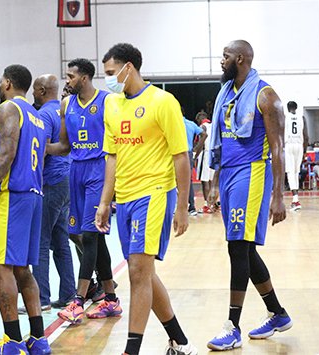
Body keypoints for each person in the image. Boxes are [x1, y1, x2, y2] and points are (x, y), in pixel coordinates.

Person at [96, 42, 197, 355]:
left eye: (112, 72)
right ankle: (180, 341)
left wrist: (182, 206)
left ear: (130, 67)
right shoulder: (111, 105)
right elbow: (111, 156)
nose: (108, 79)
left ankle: (132, 349)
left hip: (153, 194)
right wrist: (104, 201)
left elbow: (181, 156)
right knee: (144, 273)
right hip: (123, 199)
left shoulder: (163, 101)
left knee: (138, 273)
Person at [207, 40, 291, 351]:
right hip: (229, 172)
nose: (221, 61)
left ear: (240, 59)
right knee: (244, 249)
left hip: (252, 171)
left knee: (237, 248)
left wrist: (279, 196)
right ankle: (278, 314)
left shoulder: (266, 96)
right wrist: (215, 181)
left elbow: (279, 148)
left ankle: (233, 326)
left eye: (225, 56)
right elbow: (222, 140)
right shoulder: (226, 93)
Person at [0, 64, 50, 355]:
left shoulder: (9, 109)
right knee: (22, 269)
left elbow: (6, 154)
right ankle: (39, 340)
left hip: (12, 195)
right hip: (34, 194)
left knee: (1, 268)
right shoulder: (38, 117)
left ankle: (13, 343)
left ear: (7, 82)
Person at [47, 58, 120, 324]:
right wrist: (40, 147)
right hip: (75, 170)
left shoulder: (108, 101)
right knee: (92, 237)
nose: (67, 81)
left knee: (89, 236)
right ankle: (111, 299)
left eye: (70, 76)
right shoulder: (67, 105)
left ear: (85, 78)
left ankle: (78, 301)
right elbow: (64, 145)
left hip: (99, 170)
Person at [30, 74, 75, 311]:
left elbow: (42, 149)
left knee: (40, 241)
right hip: (66, 179)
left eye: (35, 89)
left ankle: (41, 299)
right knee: (60, 241)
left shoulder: (44, 115)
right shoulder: (64, 111)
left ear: (41, 90)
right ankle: (69, 294)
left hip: (50, 182)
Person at [284, 101, 308, 210]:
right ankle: (296, 199)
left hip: (289, 145)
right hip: (299, 146)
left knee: (290, 173)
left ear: (288, 108)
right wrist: (304, 152)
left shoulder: (285, 117)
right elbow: (306, 136)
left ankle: (295, 200)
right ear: (296, 108)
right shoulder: (302, 118)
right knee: (296, 172)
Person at [184, 113, 207, 216]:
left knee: (171, 180)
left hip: (176, 153)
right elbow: (204, 135)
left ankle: (175, 207)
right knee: (187, 180)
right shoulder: (190, 123)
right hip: (188, 153)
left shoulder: (173, 123)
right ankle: (191, 207)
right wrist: (196, 150)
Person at [194, 112, 217, 213]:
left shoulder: (202, 126)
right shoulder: (214, 125)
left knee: (204, 181)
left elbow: (202, 140)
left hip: (205, 154)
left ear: (200, 119)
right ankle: (214, 204)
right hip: (213, 154)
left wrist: (196, 154)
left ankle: (207, 205)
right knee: (212, 180)